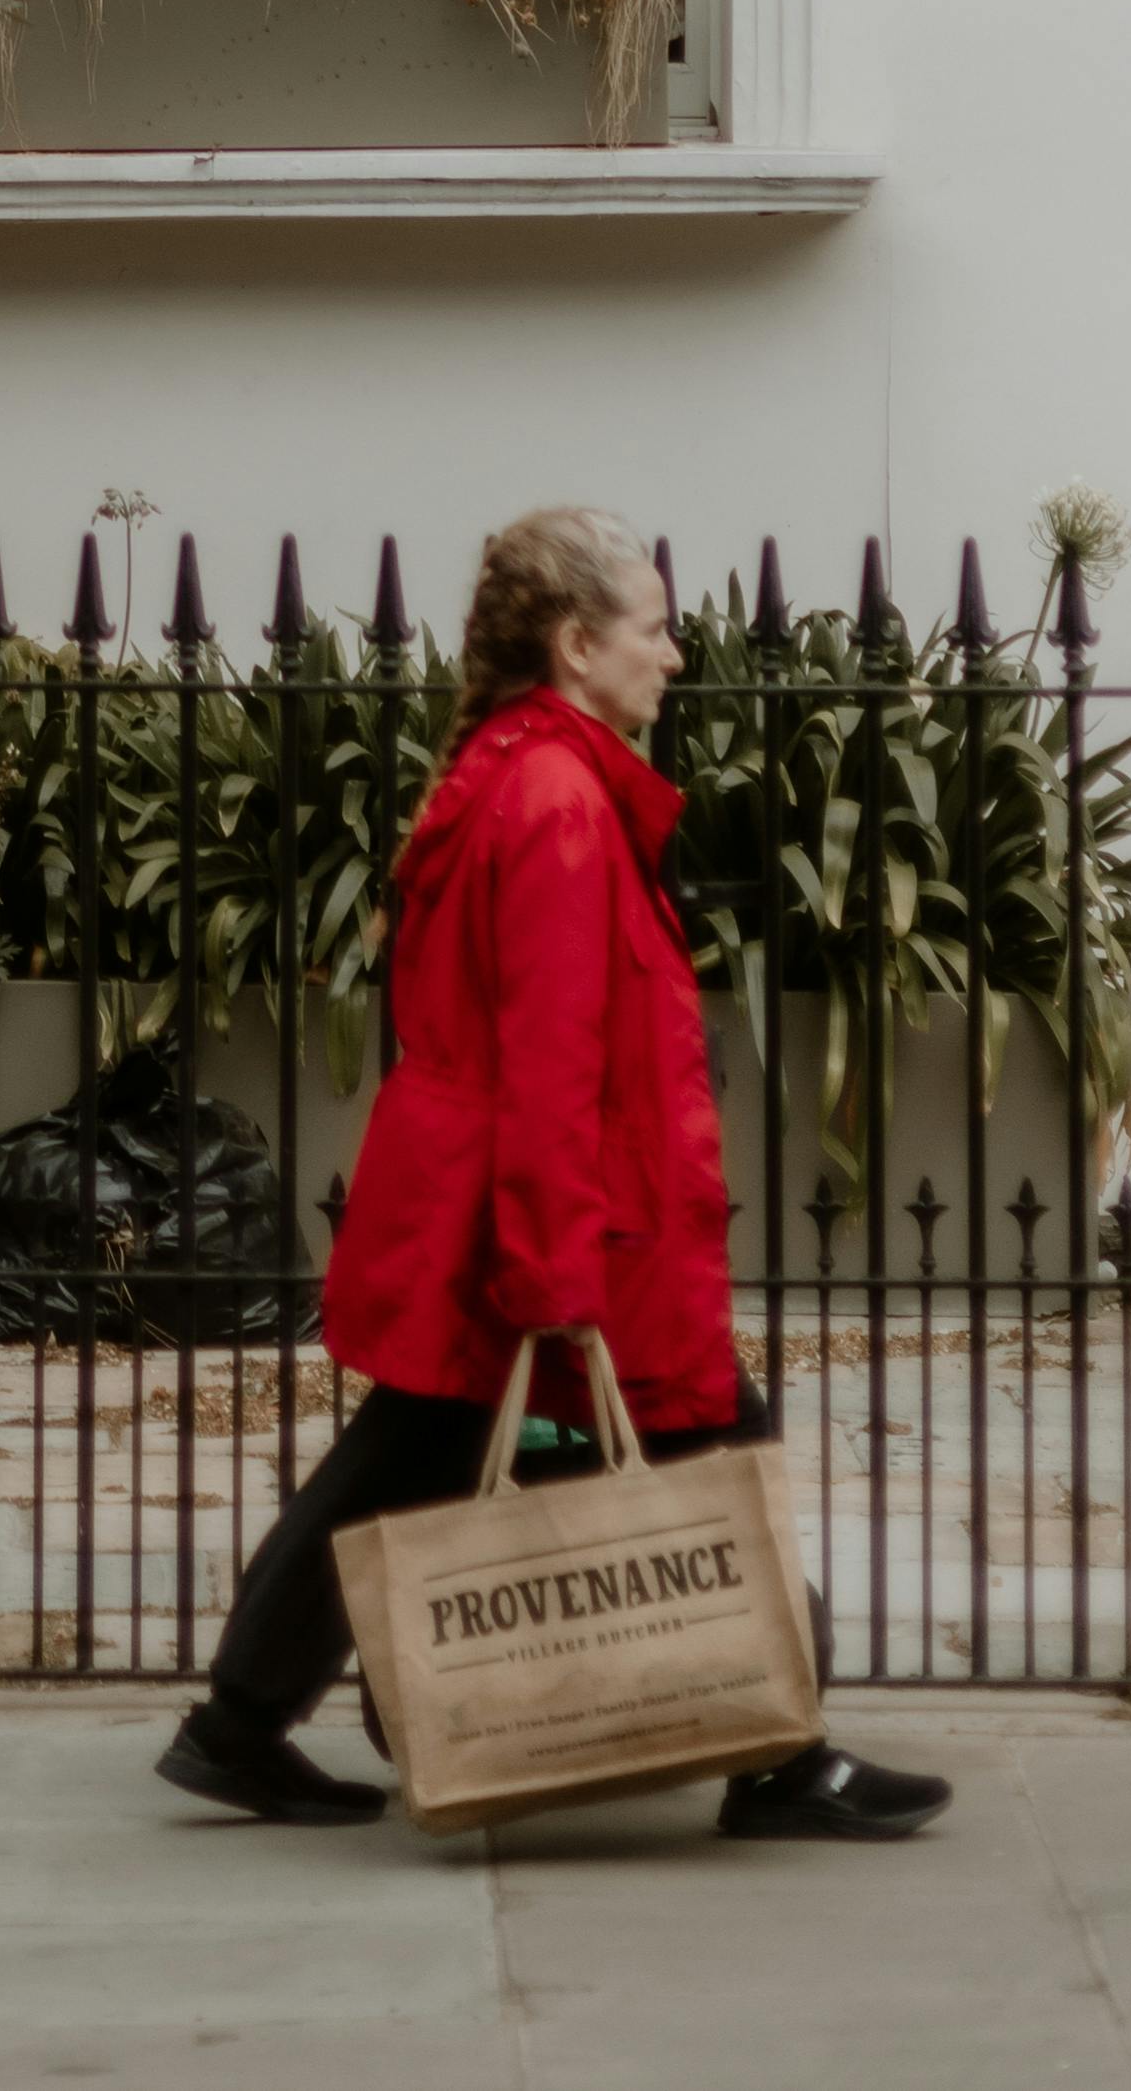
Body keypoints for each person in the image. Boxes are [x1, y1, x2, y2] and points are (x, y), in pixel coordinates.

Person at [157, 499, 947, 1844]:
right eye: (655, 628)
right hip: (571, 1221)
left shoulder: (515, 772)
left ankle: (237, 1725)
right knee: (712, 1444)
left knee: (407, 1454)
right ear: (579, 643)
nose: (675, 654)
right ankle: (781, 1756)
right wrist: (554, 1274)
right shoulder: (560, 803)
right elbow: (549, 1060)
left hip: (509, 1208)